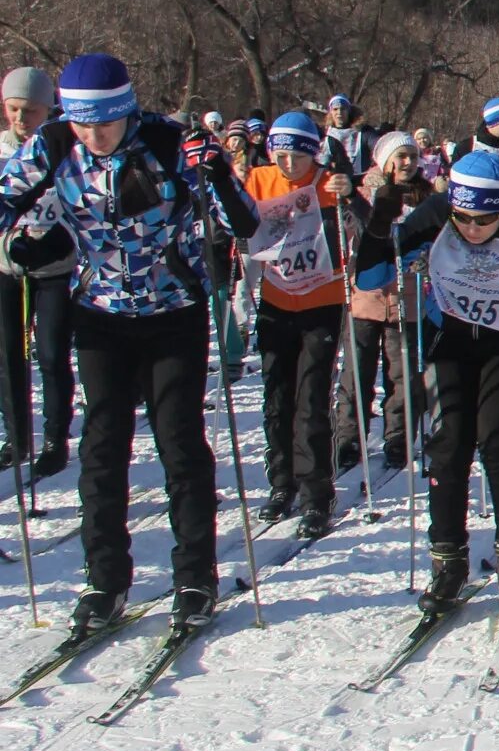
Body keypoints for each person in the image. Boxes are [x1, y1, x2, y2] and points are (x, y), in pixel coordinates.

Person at [0, 53, 259, 637]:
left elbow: (243, 225)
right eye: (83, 124)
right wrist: (17, 243)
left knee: (180, 445)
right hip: (99, 314)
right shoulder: (50, 145)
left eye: (106, 124)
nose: (94, 136)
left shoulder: (169, 143)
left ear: (127, 112)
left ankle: (195, 576)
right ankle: (105, 579)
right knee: (102, 447)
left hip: (175, 312)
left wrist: (215, 171)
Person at [354, 147, 499, 615]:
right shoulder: (434, 214)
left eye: (485, 221)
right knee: (447, 443)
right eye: (463, 218)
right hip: (449, 340)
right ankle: (447, 560)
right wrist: (380, 229)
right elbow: (370, 276)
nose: (472, 229)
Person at [237, 111, 356, 539]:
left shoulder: (329, 182)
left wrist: (351, 193)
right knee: (276, 397)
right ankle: (281, 482)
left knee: (310, 398)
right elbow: (236, 221)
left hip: (321, 302)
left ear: (313, 155)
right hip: (275, 299)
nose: (289, 165)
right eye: (281, 155)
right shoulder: (260, 179)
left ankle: (315, 494)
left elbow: (362, 222)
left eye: (298, 157)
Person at [338, 130, 431, 477]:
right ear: (384, 160)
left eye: (412, 157)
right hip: (367, 294)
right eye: (400, 157)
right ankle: (349, 436)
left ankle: (398, 437)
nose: (407, 163)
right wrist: (356, 201)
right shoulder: (364, 189)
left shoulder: (424, 192)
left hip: (406, 293)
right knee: (357, 371)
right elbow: (363, 235)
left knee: (403, 372)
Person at [0, 65, 73, 481]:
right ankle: (17, 435)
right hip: (8, 265)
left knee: (49, 353)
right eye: (13, 109)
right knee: (8, 354)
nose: (20, 118)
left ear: (47, 110)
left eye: (29, 111)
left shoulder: (63, 148)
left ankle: (55, 438)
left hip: (55, 268)